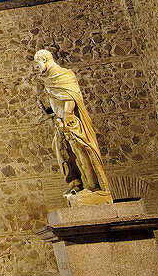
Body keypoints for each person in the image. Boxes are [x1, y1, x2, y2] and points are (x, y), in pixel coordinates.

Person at [34, 49, 111, 198]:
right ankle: (77, 183)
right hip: (60, 122)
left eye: (37, 64)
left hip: (70, 122)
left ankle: (93, 185)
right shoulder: (50, 79)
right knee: (65, 153)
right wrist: (51, 112)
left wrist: (66, 117)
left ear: (44, 59)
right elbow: (59, 100)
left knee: (81, 151)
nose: (37, 68)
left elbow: (70, 97)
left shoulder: (63, 75)